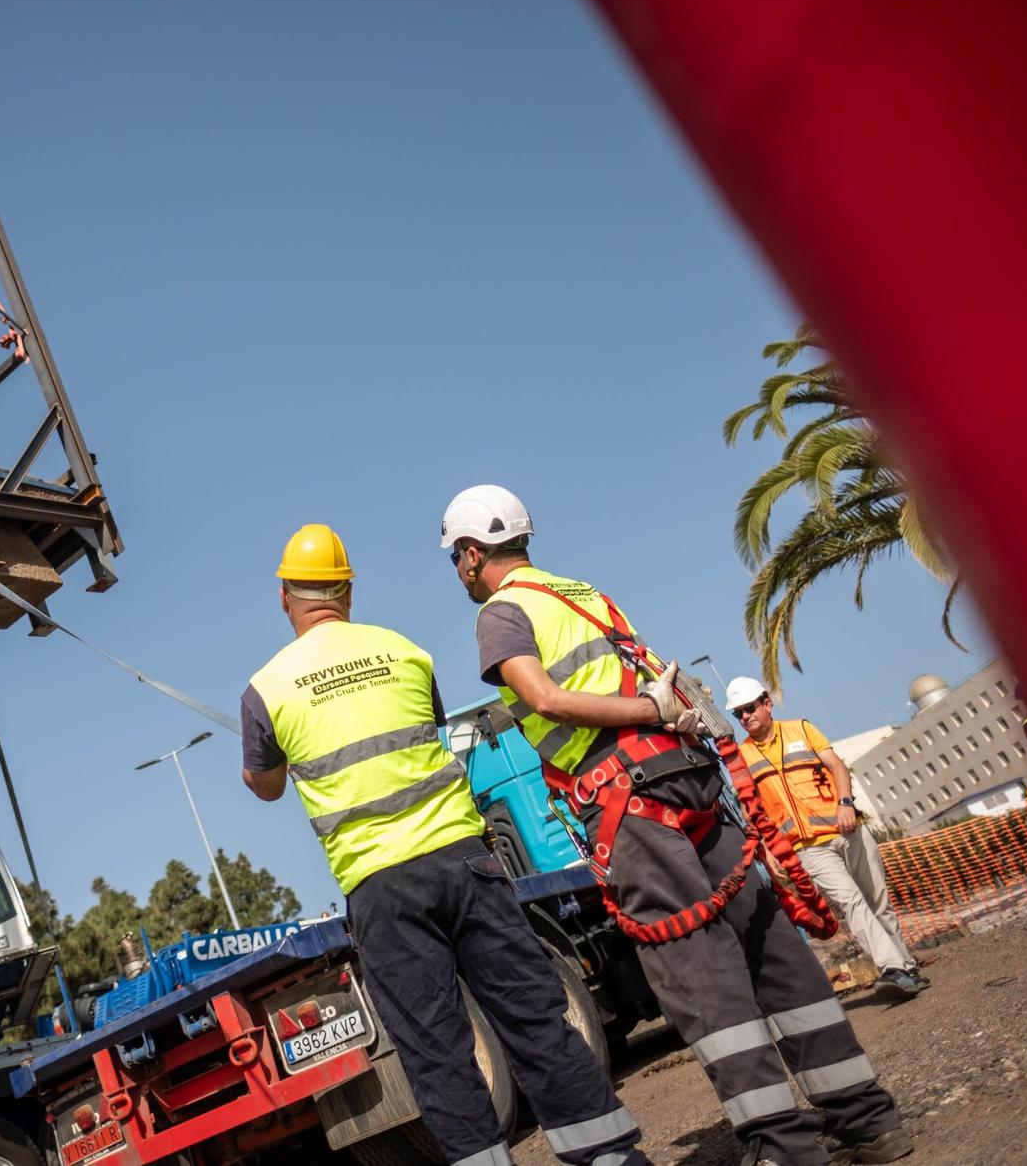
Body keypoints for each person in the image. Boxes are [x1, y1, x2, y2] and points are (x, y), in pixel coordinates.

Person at [439, 485, 913, 1166]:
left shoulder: (501, 610)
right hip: (686, 776)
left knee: (699, 969)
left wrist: (643, 713)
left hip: (629, 797)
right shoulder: (581, 592)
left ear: (473, 551)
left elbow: (544, 697)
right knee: (765, 938)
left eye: (457, 556)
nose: (459, 570)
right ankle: (866, 1117)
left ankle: (784, 1146)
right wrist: (660, 712)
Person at [242, 523, 649, 1166]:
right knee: (532, 1015)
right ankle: (610, 1156)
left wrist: (281, 759)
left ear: (284, 597)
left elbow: (263, 786)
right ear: (347, 591)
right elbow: (421, 730)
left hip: (381, 886)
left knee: (436, 1052)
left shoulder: (266, 689)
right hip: (464, 860)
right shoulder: (404, 652)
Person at [727, 678, 929, 999]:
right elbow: (752, 811)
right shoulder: (741, 758)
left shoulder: (802, 730)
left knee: (878, 902)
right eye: (738, 713)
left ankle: (906, 967)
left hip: (848, 828)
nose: (745, 717)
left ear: (767, 704)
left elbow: (836, 766)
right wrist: (768, 851)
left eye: (749, 708)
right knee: (851, 903)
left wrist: (845, 803)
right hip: (808, 848)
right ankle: (892, 966)